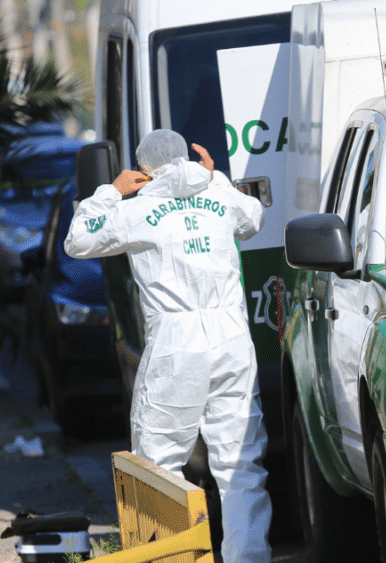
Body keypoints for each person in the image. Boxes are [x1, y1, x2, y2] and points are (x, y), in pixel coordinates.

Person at [64, 129, 272, 560]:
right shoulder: (219, 196)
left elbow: (78, 240)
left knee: (158, 465)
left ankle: (170, 557)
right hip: (232, 335)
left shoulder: (139, 209)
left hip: (178, 342)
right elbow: (254, 217)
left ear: (144, 170)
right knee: (240, 463)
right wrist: (215, 180)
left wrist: (110, 191)